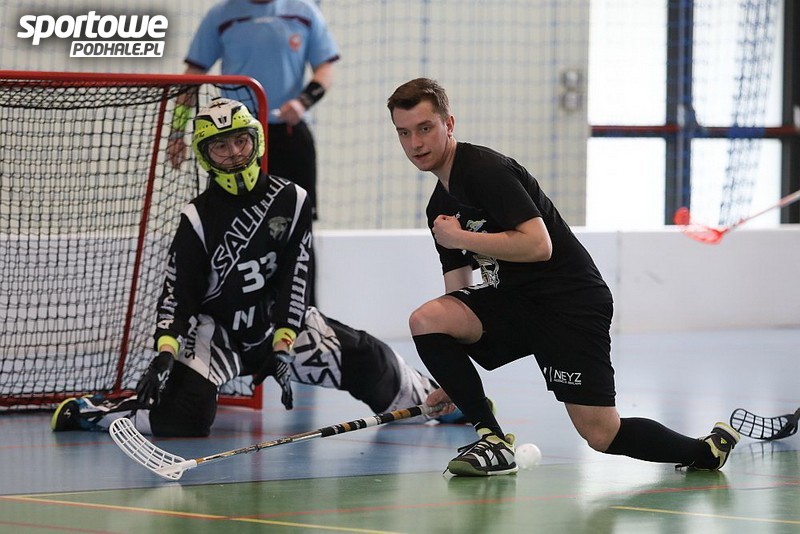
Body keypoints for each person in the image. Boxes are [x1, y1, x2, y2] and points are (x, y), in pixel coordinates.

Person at [386, 77, 740, 477]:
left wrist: (461, 236)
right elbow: (457, 293)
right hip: (514, 302)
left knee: (601, 434)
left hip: (567, 304)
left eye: (425, 128)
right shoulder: (439, 205)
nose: (415, 143)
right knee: (428, 319)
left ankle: (705, 452)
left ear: (449, 124)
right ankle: (492, 439)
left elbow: (539, 245)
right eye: (404, 133)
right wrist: (454, 379)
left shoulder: (485, 171)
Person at [51, 97, 453, 437]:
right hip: (217, 335)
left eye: (240, 141)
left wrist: (282, 345)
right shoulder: (196, 217)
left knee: (371, 360)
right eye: (220, 147)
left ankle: (440, 401)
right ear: (205, 156)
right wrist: (165, 351)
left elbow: (296, 280)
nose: (234, 154)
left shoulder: (292, 199)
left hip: (277, 328)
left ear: (256, 141)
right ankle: (97, 412)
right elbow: (178, 294)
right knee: (182, 420)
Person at [166, 0, 339, 223]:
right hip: (235, 139)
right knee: (230, 221)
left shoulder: (305, 11)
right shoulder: (220, 15)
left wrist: (303, 102)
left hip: (288, 134)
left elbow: (326, 68)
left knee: (295, 222)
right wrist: (176, 132)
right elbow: (192, 76)